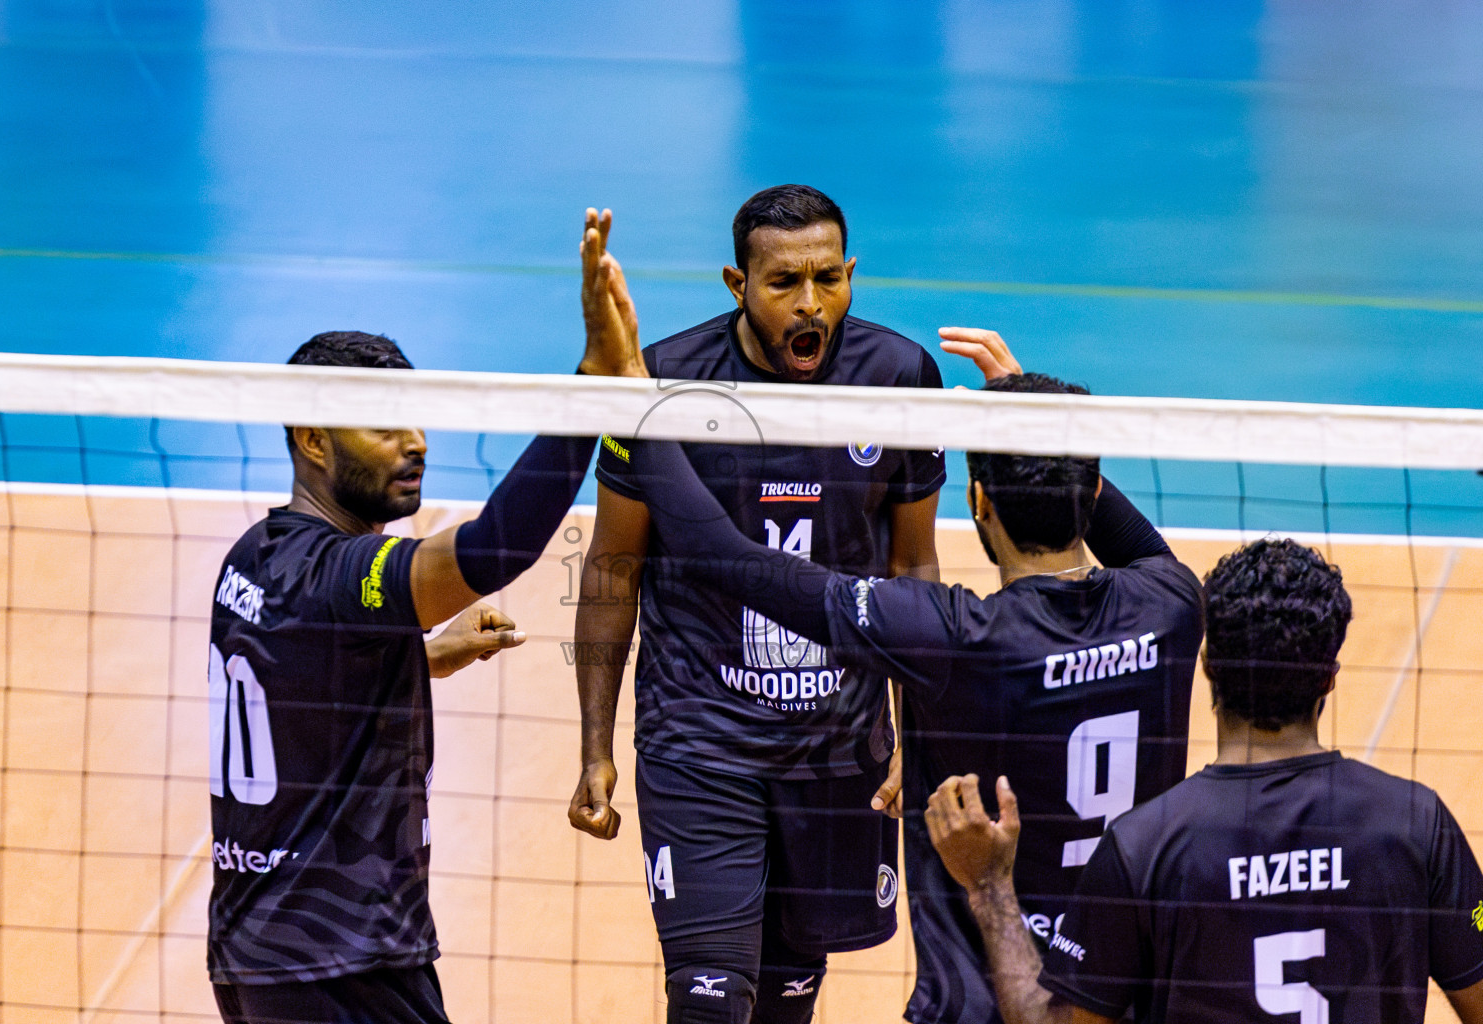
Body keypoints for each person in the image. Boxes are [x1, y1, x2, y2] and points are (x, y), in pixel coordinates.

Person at [623, 347, 1203, 1024]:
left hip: (984, 997)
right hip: (1128, 988)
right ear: (1095, 489)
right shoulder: (1171, 604)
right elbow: (1136, 541)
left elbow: (725, 555)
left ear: (978, 501)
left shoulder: (953, 636)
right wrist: (1040, 423)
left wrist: (638, 405)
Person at [567, 186, 946, 1024]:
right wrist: (597, 745)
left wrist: (915, 736)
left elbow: (913, 567)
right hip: (699, 740)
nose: (810, 303)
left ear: (849, 274)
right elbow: (612, 568)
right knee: (708, 1002)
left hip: (836, 750)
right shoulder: (666, 379)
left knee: (783, 1003)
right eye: (784, 284)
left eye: (826, 279)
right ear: (738, 283)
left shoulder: (898, 375)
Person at [207, 324, 646, 1024]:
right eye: (385, 424)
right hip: (341, 957)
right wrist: (589, 391)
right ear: (313, 440)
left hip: (258, 950)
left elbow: (299, 680)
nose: (417, 441)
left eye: (415, 415)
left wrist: (425, 653)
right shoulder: (339, 576)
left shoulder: (251, 558)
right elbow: (494, 547)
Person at [925, 538, 1483, 1024]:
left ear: (1208, 663)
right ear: (1329, 679)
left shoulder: (1146, 845)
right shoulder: (1417, 824)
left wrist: (990, 885)